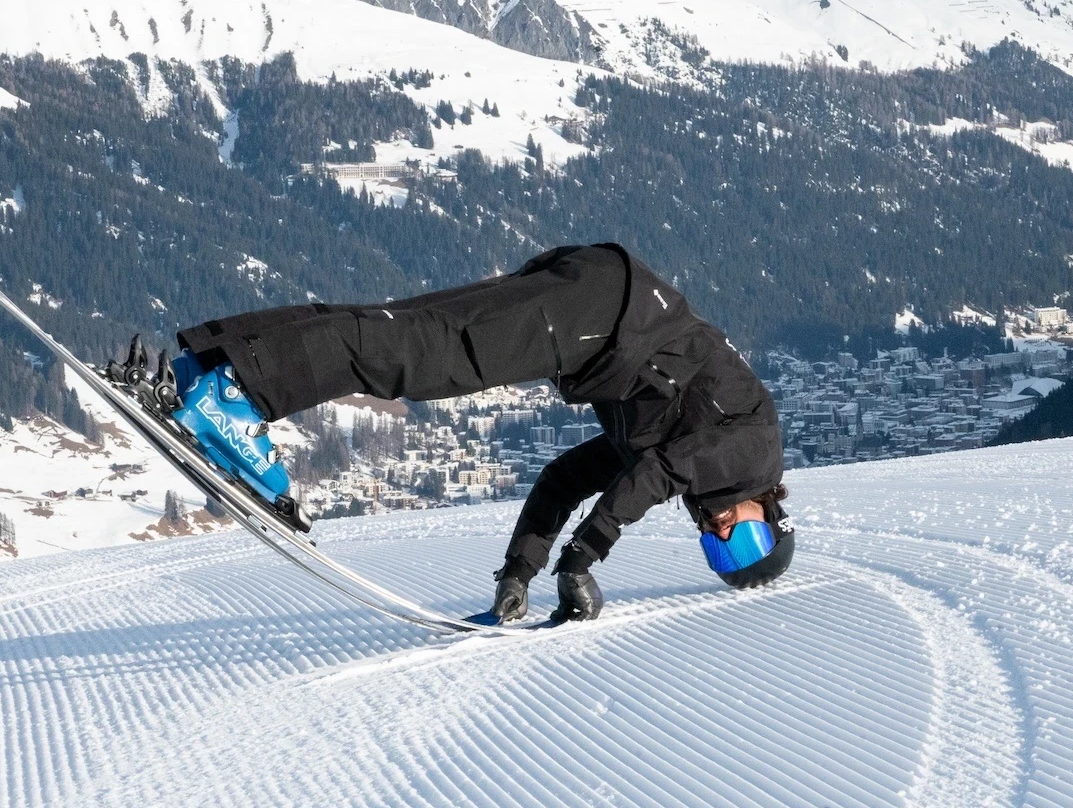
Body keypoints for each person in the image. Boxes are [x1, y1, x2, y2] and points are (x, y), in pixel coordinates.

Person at [168, 243, 794, 621]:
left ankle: (211, 365)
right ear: (767, 513)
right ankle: (237, 396)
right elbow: (661, 476)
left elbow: (565, 480)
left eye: (719, 554)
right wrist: (582, 559)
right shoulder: (753, 454)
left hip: (604, 301)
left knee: (401, 326)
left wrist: (520, 574)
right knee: (419, 351)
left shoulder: (690, 444)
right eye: (741, 542)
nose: (720, 535)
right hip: (605, 318)